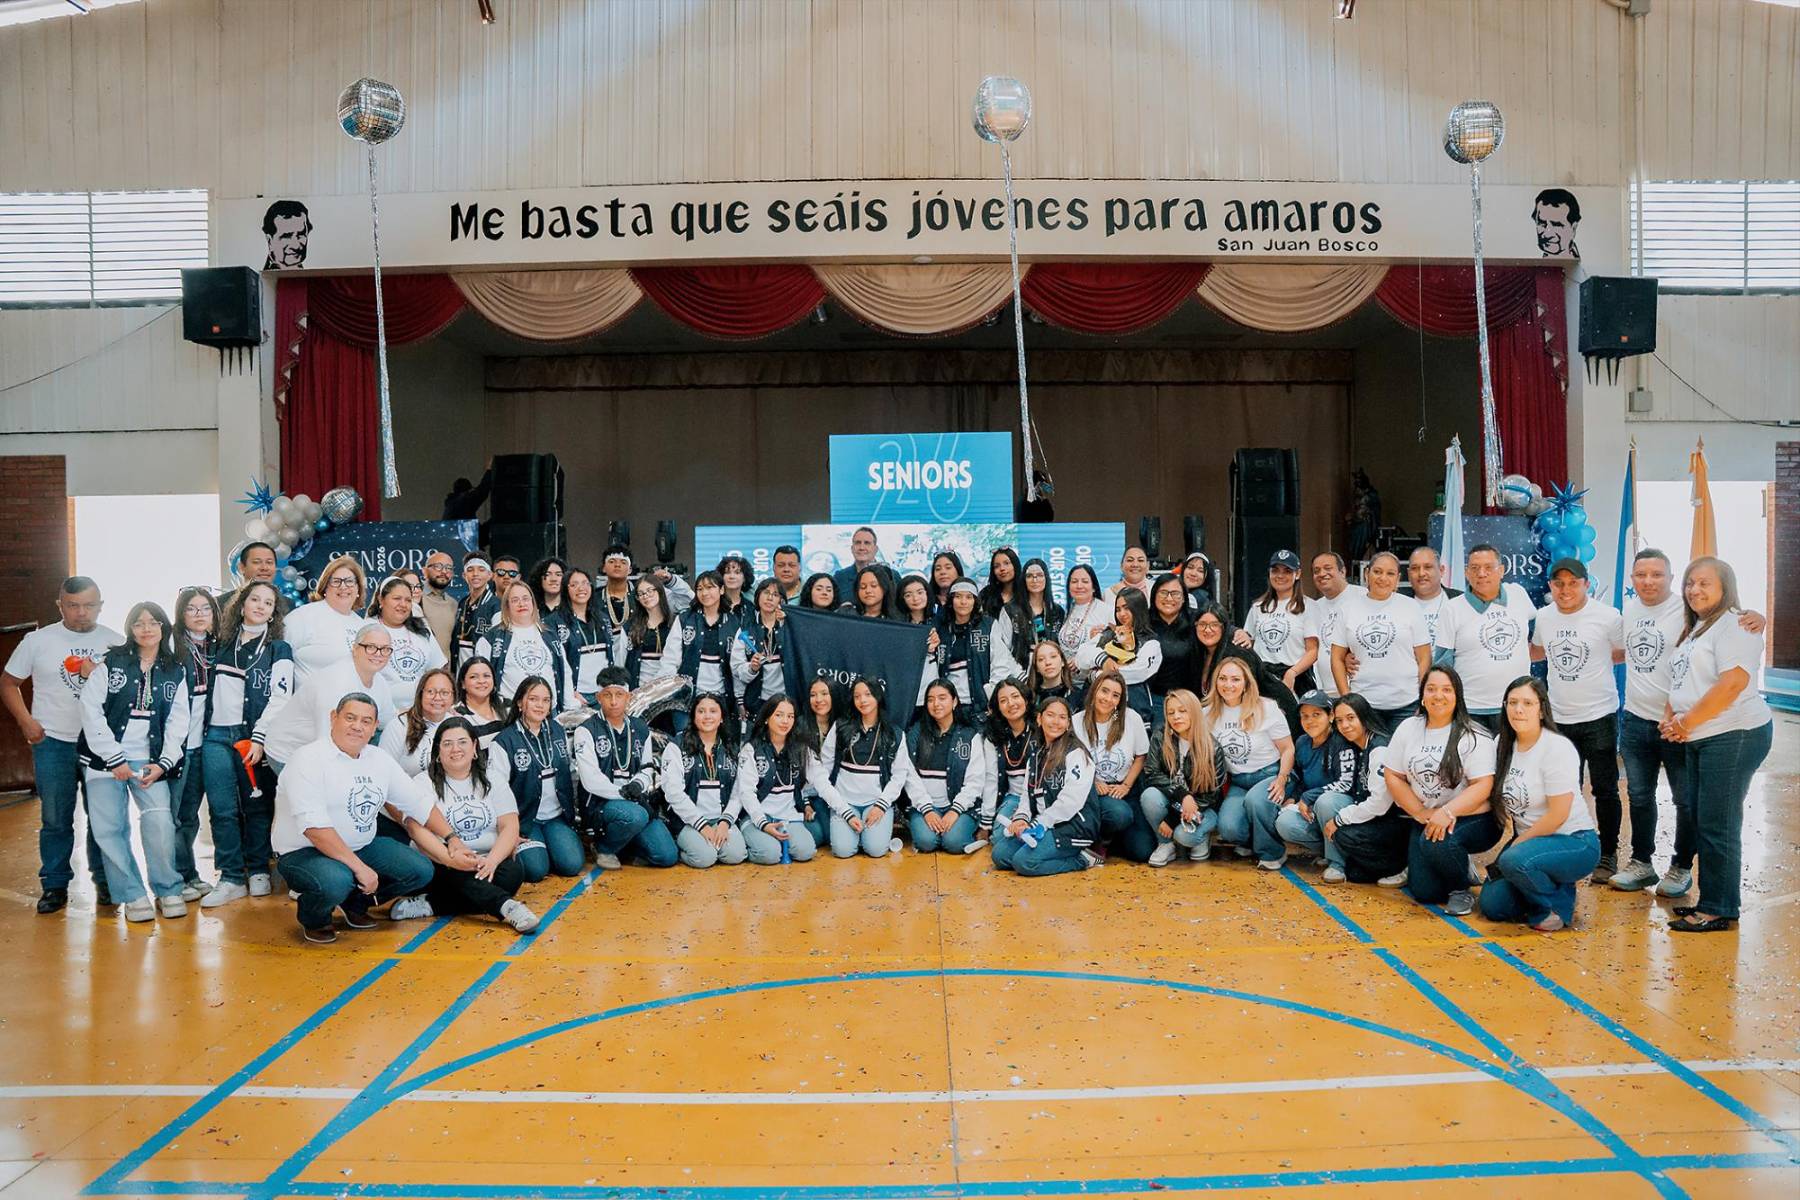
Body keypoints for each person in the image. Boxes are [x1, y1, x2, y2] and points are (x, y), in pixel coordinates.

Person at [1611, 550, 1766, 896]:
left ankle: (1681, 867)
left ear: (1669, 578)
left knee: (1686, 800)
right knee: (1638, 795)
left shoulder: (1688, 612)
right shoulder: (1632, 612)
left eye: (1656, 574)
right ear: (1632, 580)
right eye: (1640, 575)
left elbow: (1733, 644)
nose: (1648, 581)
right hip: (1638, 719)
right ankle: (1641, 863)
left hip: (1687, 726)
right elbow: (1616, 652)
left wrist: (1757, 617)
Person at [1660, 557, 1774, 933]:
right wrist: (1671, 718)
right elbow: (1682, 680)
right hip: (1701, 736)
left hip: (1733, 735)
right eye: (1691, 583)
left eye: (1705, 583)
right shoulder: (1698, 629)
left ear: (1726, 586)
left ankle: (1718, 908)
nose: (1695, 590)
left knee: (1717, 822)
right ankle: (1712, 897)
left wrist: (1685, 722)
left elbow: (1732, 685)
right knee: (1701, 816)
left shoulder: (1737, 626)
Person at [271, 693, 435, 944]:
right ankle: (315, 918)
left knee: (420, 870)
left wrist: (452, 839)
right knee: (337, 880)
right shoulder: (307, 759)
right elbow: (315, 830)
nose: (357, 726)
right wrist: (360, 869)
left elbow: (419, 804)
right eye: (350, 718)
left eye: (366, 721)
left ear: (373, 729)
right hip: (304, 852)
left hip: (361, 846)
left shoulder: (378, 759)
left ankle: (354, 903)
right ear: (333, 718)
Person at [5, 578, 123, 913]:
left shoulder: (115, 642)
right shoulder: (38, 641)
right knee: (56, 818)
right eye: (73, 605)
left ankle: (104, 882)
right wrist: (26, 722)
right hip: (53, 742)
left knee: (101, 818)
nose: (81, 612)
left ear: (101, 605)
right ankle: (55, 885)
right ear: (60, 605)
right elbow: (9, 682)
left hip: (98, 745)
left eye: (89, 605)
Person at [1345, 667, 1497, 915]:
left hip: (1474, 816)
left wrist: (1446, 812)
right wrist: (1418, 811)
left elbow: (1483, 786)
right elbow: (1393, 775)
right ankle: (1457, 863)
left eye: (1447, 690)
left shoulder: (1474, 734)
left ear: (1457, 695)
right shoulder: (1408, 728)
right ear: (1422, 696)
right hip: (1426, 815)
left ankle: (1461, 890)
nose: (1439, 695)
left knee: (1436, 841)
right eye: (1432, 689)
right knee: (1425, 892)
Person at [78, 602, 190, 922]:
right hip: (103, 760)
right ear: (130, 628)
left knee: (159, 822)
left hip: (150, 760)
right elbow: (91, 709)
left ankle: (167, 889)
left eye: (153, 622)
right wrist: (114, 758)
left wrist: (164, 762)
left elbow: (179, 721)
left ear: (163, 627)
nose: (146, 629)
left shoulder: (174, 669)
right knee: (109, 828)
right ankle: (132, 894)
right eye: (139, 623)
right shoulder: (110, 663)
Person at [196, 581, 295, 907]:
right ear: (241, 604)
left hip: (252, 738)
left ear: (273, 613)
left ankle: (257, 870)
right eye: (255, 599)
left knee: (255, 805)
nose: (261, 605)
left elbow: (281, 697)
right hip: (215, 737)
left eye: (268, 603)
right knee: (222, 809)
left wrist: (260, 737)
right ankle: (231, 877)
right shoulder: (220, 643)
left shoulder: (278, 649)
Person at [1530, 558, 1626, 879]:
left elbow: (1624, 651)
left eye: (1574, 582)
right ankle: (1562, 848)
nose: (1566, 589)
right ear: (1551, 587)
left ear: (1587, 584)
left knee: (1605, 788)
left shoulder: (1608, 617)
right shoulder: (1544, 617)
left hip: (1599, 716)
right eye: (1559, 583)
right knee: (1563, 789)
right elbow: (1537, 652)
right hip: (1559, 719)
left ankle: (1608, 853)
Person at [1478, 676, 1597, 932]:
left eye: (1527, 703)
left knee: (1513, 861)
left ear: (1541, 710)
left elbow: (1558, 814)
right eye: (1512, 702)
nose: (1518, 709)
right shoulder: (1502, 744)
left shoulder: (1556, 747)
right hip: (1533, 843)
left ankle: (1555, 906)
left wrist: (1518, 845)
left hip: (1574, 841)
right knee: (1493, 905)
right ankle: (1550, 881)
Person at [400, 716, 539, 932]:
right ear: (437, 751)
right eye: (447, 744)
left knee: (512, 873)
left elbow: (510, 825)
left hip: (485, 858)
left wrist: (491, 861)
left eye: (462, 742)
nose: (455, 749)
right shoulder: (422, 782)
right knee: (455, 875)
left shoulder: (493, 779)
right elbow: (415, 829)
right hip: (441, 861)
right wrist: (450, 859)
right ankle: (507, 907)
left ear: (475, 747)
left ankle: (433, 904)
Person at [570, 667, 678, 869]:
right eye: (607, 695)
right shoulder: (586, 730)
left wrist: (639, 783)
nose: (613, 701)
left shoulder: (640, 728)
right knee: (635, 816)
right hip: (601, 805)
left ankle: (625, 845)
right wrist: (623, 793)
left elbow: (647, 767)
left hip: (635, 801)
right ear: (597, 697)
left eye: (619, 695)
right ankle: (604, 848)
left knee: (667, 856)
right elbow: (590, 779)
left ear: (628, 697)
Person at [262, 623, 399, 768]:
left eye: (385, 649)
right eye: (370, 647)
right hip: (289, 753)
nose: (378, 654)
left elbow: (388, 722)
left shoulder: (379, 681)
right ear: (355, 648)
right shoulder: (336, 683)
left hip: (329, 743)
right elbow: (326, 746)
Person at [489, 676, 586, 882]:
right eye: (533, 699)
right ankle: (538, 849)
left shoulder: (558, 730)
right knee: (535, 871)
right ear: (519, 703)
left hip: (555, 817)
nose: (540, 705)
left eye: (545, 700)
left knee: (572, 865)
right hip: (524, 820)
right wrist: (507, 831)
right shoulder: (504, 741)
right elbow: (496, 791)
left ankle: (550, 845)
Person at [989, 696, 1100, 876]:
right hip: (1041, 824)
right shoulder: (1036, 755)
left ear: (1068, 724)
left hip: (1071, 826)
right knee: (1000, 855)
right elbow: (1026, 796)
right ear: (1039, 719)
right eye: (1050, 715)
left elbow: (1070, 802)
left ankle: (1083, 859)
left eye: (1062, 717)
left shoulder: (1077, 754)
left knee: (1024, 863)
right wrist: (1021, 819)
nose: (1056, 722)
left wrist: (1038, 823)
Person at [1432, 544, 1537, 733]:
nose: (1481, 574)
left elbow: (1536, 634)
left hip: (1516, 706)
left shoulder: (1518, 594)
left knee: (1514, 762)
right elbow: (1443, 663)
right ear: (1466, 572)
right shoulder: (1453, 608)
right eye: (1474, 568)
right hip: (1471, 709)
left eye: (1489, 567)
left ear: (1502, 570)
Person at [1248, 688, 1351, 875]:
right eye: (1304, 716)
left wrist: (1308, 797)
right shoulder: (1303, 742)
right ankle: (1326, 850)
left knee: (1326, 801)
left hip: (1339, 806)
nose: (1310, 721)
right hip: (1311, 807)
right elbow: (1302, 778)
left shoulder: (1341, 742)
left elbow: (1346, 783)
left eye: (1316, 714)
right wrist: (1294, 798)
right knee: (1285, 822)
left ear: (1331, 716)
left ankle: (1338, 863)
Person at [1205, 658, 1295, 866]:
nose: (1228, 684)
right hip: (1238, 781)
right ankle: (1252, 839)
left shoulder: (1266, 707)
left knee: (1257, 800)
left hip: (1271, 773)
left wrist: (1282, 780)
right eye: (1223, 678)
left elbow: (1288, 748)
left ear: (1246, 683)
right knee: (1228, 828)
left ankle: (1272, 853)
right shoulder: (1207, 713)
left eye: (1235, 679)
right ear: (1215, 682)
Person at [1292, 693, 1390, 883]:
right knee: (1356, 873)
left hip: (1387, 821)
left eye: (1351, 718)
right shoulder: (1358, 744)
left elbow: (1379, 803)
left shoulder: (1378, 748)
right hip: (1367, 814)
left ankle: (1396, 865)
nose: (1345, 725)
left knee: (1335, 817)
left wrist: (1338, 820)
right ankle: (1338, 855)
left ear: (1364, 716)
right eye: (1340, 720)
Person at [1331, 551, 1430, 729]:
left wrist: (1422, 698)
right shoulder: (1347, 609)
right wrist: (1347, 699)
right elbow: (1337, 658)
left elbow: (1424, 658)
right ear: (1366, 573)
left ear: (1398, 578)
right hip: (1364, 704)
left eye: (1390, 573)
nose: (1383, 578)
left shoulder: (1410, 607)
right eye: (1377, 571)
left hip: (1407, 704)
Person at [737, 695, 839, 864]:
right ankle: (754, 842)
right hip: (758, 817)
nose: (785, 721)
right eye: (779, 715)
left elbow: (823, 784)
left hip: (788, 816)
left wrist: (847, 814)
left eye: (790, 716)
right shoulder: (751, 749)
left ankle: (776, 842)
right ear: (766, 718)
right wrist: (763, 823)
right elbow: (746, 793)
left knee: (806, 852)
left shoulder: (801, 749)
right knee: (770, 855)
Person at [819, 677, 914, 859]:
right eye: (857, 696)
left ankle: (866, 835)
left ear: (878, 697)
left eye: (868, 695)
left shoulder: (894, 733)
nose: (862, 700)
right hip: (845, 802)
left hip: (875, 803)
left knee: (876, 850)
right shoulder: (841, 727)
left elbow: (899, 776)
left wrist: (881, 806)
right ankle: (856, 834)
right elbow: (823, 769)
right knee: (842, 851)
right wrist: (843, 810)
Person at [659, 693, 749, 869]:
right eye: (701, 711)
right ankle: (681, 845)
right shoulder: (676, 746)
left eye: (713, 711)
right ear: (693, 717)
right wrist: (702, 826)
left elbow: (739, 791)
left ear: (722, 717)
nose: (707, 716)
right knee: (704, 858)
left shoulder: (731, 747)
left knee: (735, 855)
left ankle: (715, 840)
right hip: (688, 821)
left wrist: (725, 822)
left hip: (720, 818)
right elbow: (673, 793)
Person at [1074, 666, 1154, 862]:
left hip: (1125, 788)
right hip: (1093, 792)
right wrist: (1092, 782)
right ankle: (1100, 837)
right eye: (1104, 691)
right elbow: (1073, 762)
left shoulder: (1131, 718)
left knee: (1143, 851)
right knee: (1120, 814)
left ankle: (1113, 838)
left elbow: (1141, 755)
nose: (1108, 699)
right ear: (1094, 691)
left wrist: (1126, 785)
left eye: (1116, 695)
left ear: (1120, 700)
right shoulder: (1077, 721)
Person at [1140, 687, 1227, 866]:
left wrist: (1172, 819)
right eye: (1170, 712)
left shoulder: (1213, 747)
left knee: (1185, 836)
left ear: (1194, 712)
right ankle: (1165, 844)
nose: (1176, 717)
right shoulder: (1161, 736)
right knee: (1149, 796)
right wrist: (1183, 795)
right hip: (1175, 799)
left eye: (1182, 711)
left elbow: (1212, 795)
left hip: (1203, 806)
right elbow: (1151, 773)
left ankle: (1202, 836)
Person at [170, 586, 219, 901]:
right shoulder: (171, 647)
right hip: (177, 746)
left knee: (190, 815)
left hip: (206, 743)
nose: (199, 614)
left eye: (205, 608)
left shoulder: (220, 647)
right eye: (192, 608)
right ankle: (174, 878)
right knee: (174, 815)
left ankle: (188, 874)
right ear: (181, 614)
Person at [904, 680, 990, 854]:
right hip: (925, 807)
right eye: (930, 699)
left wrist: (955, 811)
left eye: (942, 698)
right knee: (926, 842)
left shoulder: (969, 735)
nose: (936, 704)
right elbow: (909, 776)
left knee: (954, 843)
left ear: (955, 701)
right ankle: (921, 825)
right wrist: (927, 810)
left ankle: (962, 830)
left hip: (959, 807)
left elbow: (975, 782)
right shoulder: (916, 733)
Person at [476, 580, 581, 712]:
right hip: (510, 714)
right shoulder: (491, 639)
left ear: (533, 602)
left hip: (549, 712)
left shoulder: (550, 635)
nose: (521, 604)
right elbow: (480, 677)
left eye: (526, 599)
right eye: (515, 600)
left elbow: (564, 671)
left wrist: (570, 705)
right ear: (507, 606)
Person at [1074, 588, 1163, 727]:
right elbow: (1081, 655)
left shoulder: (1151, 642)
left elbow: (1139, 672)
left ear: (1138, 608)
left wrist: (1097, 674)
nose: (1122, 614)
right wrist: (1102, 659)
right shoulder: (1109, 633)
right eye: (1118, 609)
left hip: (1133, 708)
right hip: (1095, 707)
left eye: (1127, 608)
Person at [1242, 550, 1318, 698]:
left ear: (1298, 574)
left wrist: (1292, 673)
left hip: (1295, 677)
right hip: (1262, 677)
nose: (1280, 576)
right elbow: (1248, 641)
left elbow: (1313, 650)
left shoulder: (1308, 606)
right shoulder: (1258, 607)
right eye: (1275, 570)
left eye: (1287, 571)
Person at [284, 555, 369, 684]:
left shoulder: (362, 626)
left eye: (350, 581)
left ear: (358, 589)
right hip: (310, 702)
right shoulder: (302, 617)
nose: (343, 587)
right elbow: (278, 663)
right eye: (336, 581)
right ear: (325, 587)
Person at [369, 576, 448, 714]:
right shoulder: (367, 628)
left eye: (408, 600)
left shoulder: (421, 629)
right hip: (381, 712)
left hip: (421, 712)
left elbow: (438, 670)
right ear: (381, 600)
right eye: (397, 598)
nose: (403, 604)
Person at [674, 571, 743, 726]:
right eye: (699, 588)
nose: (704, 593)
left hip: (722, 700)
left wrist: (740, 700)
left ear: (721, 590)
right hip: (686, 699)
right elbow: (671, 660)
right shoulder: (685, 619)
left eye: (710, 587)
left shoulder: (734, 623)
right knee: (685, 743)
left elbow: (737, 666)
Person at [556, 567, 620, 704]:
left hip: (604, 692)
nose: (581, 588)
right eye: (574, 585)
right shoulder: (555, 621)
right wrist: (569, 692)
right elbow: (555, 664)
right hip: (576, 695)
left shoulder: (602, 618)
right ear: (565, 590)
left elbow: (611, 656)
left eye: (585, 583)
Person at [380, 667, 457, 778]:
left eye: (445, 693)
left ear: (453, 697)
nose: (437, 697)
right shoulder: (399, 726)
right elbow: (384, 771)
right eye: (431, 692)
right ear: (420, 694)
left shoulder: (458, 725)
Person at [935, 579, 997, 714]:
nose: (963, 602)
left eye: (969, 597)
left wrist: (992, 698)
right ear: (951, 600)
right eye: (958, 596)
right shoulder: (941, 629)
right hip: (949, 709)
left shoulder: (988, 625)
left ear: (975, 601)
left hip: (982, 707)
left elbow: (1000, 664)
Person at [1308, 551, 1364, 697]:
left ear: (1343, 571)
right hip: (1325, 692)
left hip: (1358, 691)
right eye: (1316, 571)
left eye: (1328, 568)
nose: (1321, 574)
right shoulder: (1313, 607)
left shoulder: (1363, 597)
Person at [731, 578, 790, 717]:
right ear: (757, 597)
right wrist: (752, 668)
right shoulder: (746, 629)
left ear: (781, 601)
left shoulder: (789, 628)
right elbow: (736, 670)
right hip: (756, 703)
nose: (770, 598)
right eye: (766, 592)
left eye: (775, 595)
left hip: (786, 702)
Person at [799, 678, 846, 848]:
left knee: (832, 837)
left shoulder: (843, 726)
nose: (818, 700)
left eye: (824, 693)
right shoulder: (800, 726)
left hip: (830, 793)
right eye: (813, 695)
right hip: (804, 795)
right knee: (816, 837)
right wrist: (804, 803)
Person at [983, 678, 1034, 835]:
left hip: (1039, 798)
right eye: (1003, 700)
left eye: (1015, 696)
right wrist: (986, 822)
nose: (1011, 704)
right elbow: (991, 779)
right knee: (1000, 835)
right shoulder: (994, 737)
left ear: (1025, 698)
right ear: (997, 708)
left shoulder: (1041, 729)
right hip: (1013, 797)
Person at [1144, 574, 1196, 712]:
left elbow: (1220, 625)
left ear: (1184, 598)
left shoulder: (1195, 619)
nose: (1169, 598)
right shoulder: (1142, 621)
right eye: (1163, 593)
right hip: (1151, 700)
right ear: (1154, 595)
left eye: (1175, 594)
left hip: (1188, 699)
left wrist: (1239, 633)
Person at [895, 574, 941, 716]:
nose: (915, 598)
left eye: (920, 592)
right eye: (908, 595)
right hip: (908, 694)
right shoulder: (899, 628)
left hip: (936, 693)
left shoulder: (940, 623)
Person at [624, 575, 678, 689]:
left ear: (659, 591)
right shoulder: (630, 626)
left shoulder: (675, 623)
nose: (646, 596)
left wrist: (655, 687)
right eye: (641, 594)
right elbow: (621, 661)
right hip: (637, 690)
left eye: (650, 591)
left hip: (667, 688)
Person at [1401, 546, 1459, 647]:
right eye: (1415, 568)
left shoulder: (1460, 601)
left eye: (1428, 567)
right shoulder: (1397, 603)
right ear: (1408, 573)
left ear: (1441, 570)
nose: (1421, 573)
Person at [451, 553, 500, 667]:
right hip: (460, 665)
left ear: (490, 575)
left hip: (483, 665)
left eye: (481, 569)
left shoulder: (496, 604)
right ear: (464, 575)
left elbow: (498, 641)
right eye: (470, 570)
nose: (475, 574)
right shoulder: (462, 603)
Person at [452, 656, 507, 747]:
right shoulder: (457, 715)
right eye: (474, 677)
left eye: (486, 676)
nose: (481, 681)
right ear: (463, 684)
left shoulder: (508, 706)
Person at [419, 550, 460, 660]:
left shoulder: (453, 604)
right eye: (438, 566)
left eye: (448, 568)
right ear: (424, 571)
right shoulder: (414, 598)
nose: (443, 571)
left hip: (445, 672)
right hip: (418, 671)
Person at [1024, 639, 1082, 711]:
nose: (1048, 662)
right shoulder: (1030, 698)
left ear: (1063, 662)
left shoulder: (1077, 695)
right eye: (1041, 659)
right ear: (1036, 668)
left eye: (1053, 656)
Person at [831, 527, 882, 601]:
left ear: (875, 549)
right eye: (857, 543)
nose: (861, 547)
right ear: (852, 549)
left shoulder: (891, 576)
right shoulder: (840, 577)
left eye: (867, 543)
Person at [980, 547, 1023, 618]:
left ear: (1015, 565)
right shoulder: (986, 594)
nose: (1002, 568)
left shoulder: (1027, 592)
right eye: (996, 566)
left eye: (1006, 563)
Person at [527, 556, 569, 622]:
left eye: (558, 575)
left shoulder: (571, 609)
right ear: (539, 578)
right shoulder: (530, 608)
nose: (553, 579)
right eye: (547, 574)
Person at [716, 555, 755, 622]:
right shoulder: (713, 603)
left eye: (737, 573)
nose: (732, 576)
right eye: (727, 572)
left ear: (745, 578)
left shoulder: (751, 608)